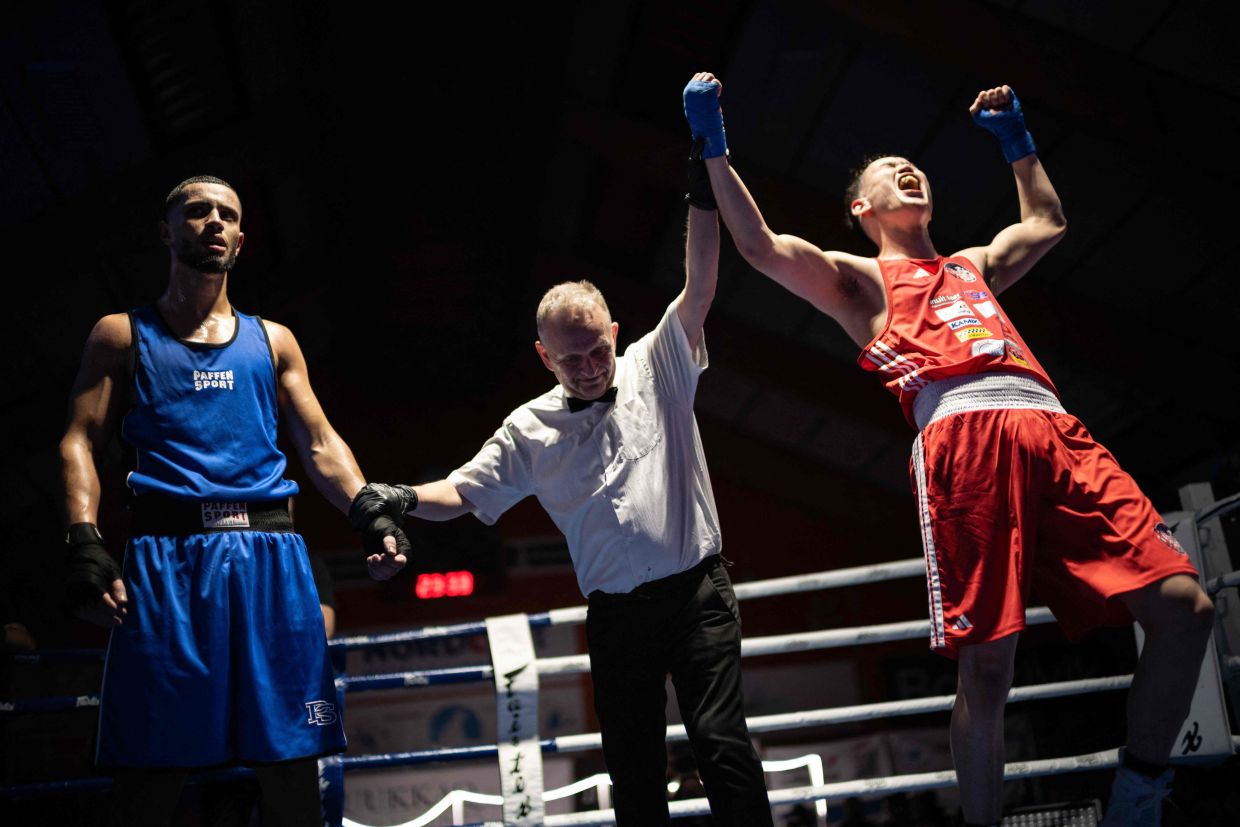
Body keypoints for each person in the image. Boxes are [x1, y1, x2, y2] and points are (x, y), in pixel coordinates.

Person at [682, 71, 1215, 827]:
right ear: (863, 209)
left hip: (1056, 431)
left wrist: (1018, 143)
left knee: (1185, 608)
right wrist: (713, 148)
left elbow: (1048, 222)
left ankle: (1139, 797)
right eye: (889, 172)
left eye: (916, 167)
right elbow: (758, 246)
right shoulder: (861, 282)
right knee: (989, 661)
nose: (910, 170)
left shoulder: (973, 265)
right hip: (964, 441)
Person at [364, 146, 774, 825]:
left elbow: (698, 284)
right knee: (635, 773)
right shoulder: (529, 427)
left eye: (597, 350)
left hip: (698, 591)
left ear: (615, 332)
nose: (588, 367)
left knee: (722, 745)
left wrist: (703, 191)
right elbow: (465, 490)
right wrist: (402, 496)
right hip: (617, 616)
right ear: (543, 356)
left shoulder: (658, 362)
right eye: (571, 357)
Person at [58, 175, 411, 827]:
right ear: (167, 231)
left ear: (242, 240)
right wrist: (85, 539)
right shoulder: (121, 334)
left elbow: (320, 441)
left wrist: (368, 508)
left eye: (227, 214)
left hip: (271, 562)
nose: (213, 221)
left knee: (291, 772)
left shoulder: (274, 340)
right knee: (151, 776)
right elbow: (79, 439)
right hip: (167, 562)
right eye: (197, 211)